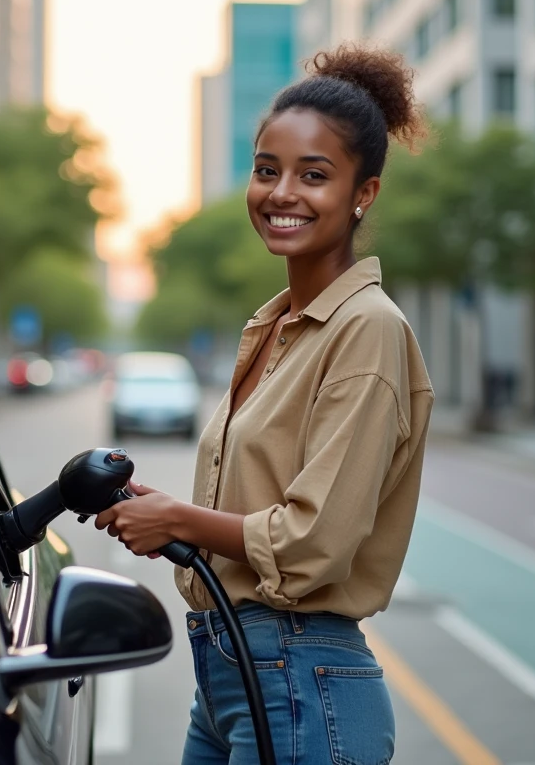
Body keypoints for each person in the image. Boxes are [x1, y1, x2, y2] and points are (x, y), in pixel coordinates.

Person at [94, 43, 434, 764]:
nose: (282, 193)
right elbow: (266, 503)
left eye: (315, 175)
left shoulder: (366, 330)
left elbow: (316, 542)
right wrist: (168, 515)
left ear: (362, 193)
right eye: (265, 170)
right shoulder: (275, 326)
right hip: (230, 678)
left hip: (303, 681)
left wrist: (179, 519)